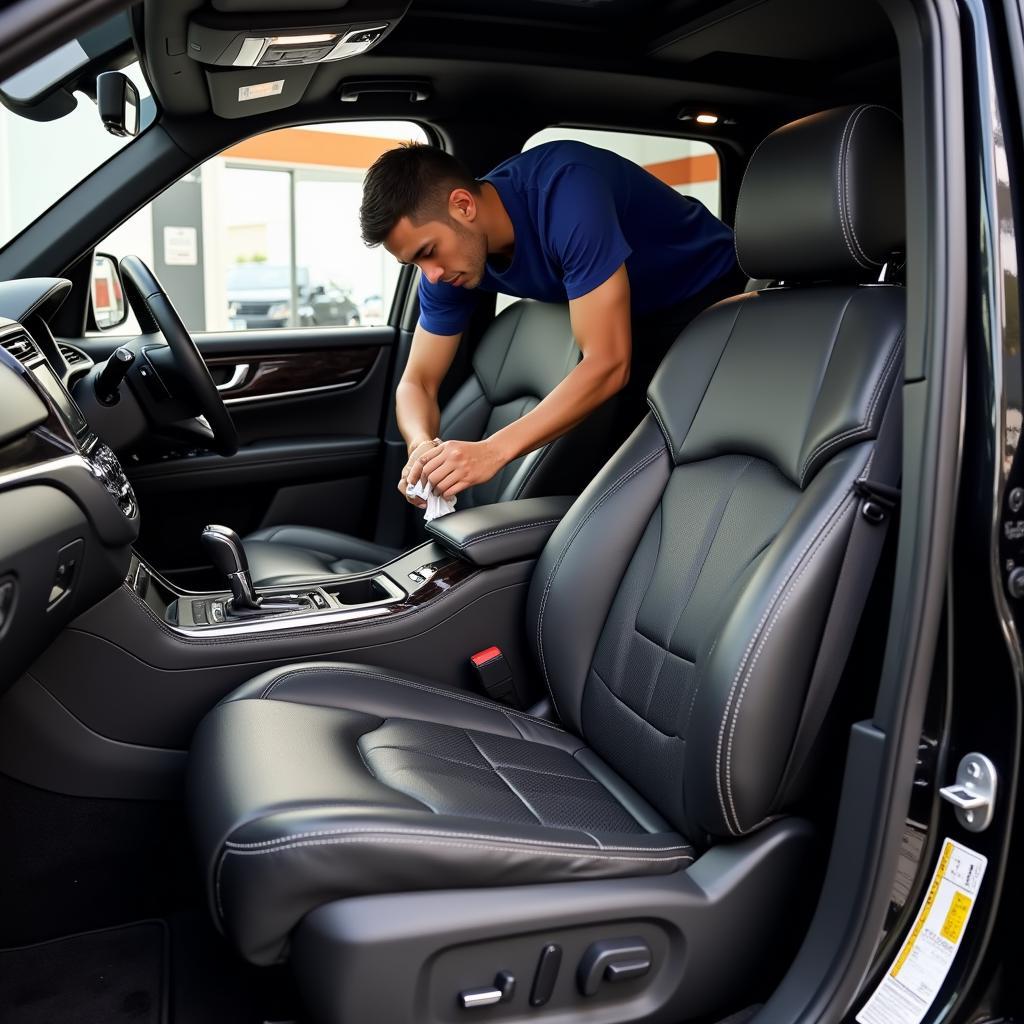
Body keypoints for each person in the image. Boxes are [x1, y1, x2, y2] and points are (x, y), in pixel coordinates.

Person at [358, 140, 742, 508]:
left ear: (462, 205)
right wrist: (421, 446)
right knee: (608, 474)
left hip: (716, 299)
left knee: (655, 468)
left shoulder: (565, 191)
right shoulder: (449, 264)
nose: (432, 274)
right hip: (634, 315)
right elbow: (417, 382)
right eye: (416, 263)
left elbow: (608, 362)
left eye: (428, 252)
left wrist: (492, 451)